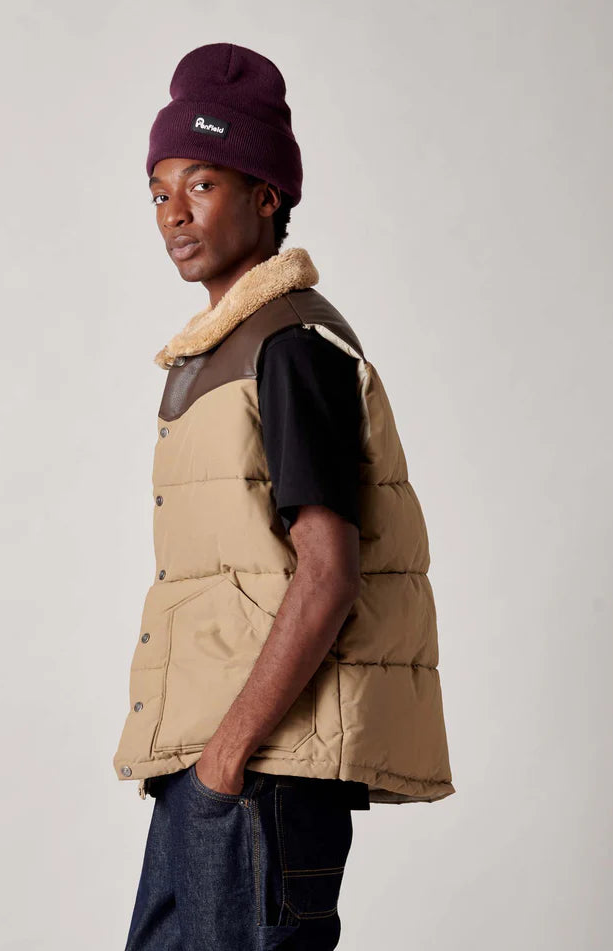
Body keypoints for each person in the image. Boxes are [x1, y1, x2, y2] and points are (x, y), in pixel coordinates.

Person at [113, 42, 455, 951]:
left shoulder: (291, 346)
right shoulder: (220, 352)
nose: (174, 213)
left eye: (201, 184)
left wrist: (225, 759)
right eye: (158, 191)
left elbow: (327, 571)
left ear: (265, 196)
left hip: (256, 768)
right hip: (212, 766)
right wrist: (205, 768)